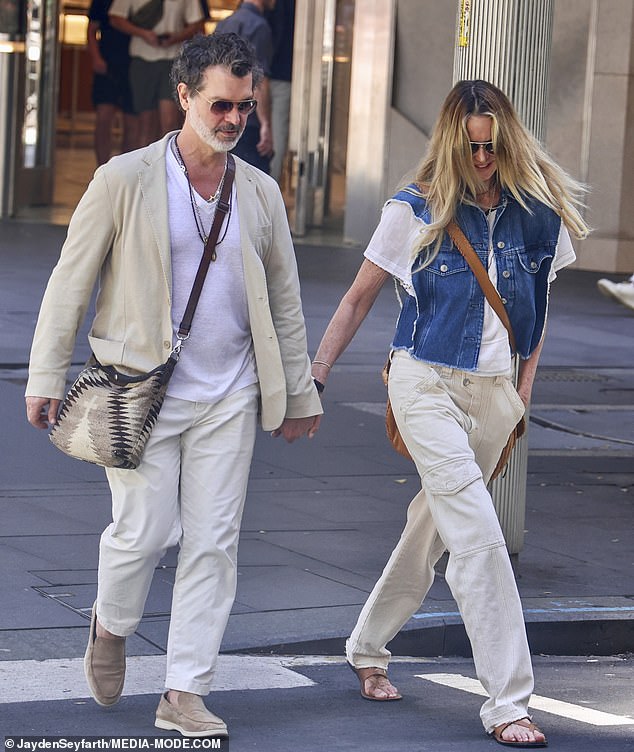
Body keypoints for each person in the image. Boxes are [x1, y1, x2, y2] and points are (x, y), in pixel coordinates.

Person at [25, 32, 322, 738]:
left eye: (244, 108)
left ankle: (184, 689)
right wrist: (45, 373)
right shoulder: (123, 179)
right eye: (220, 105)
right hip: (139, 389)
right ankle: (112, 623)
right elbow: (70, 283)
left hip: (231, 391)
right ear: (184, 96)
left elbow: (284, 298)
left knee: (214, 542)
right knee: (146, 530)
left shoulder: (259, 192)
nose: (232, 120)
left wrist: (299, 392)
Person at [311, 80, 590, 747]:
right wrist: (313, 377)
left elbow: (537, 311)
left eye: (494, 147)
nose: (484, 159)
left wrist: (523, 389)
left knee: (430, 529)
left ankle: (367, 645)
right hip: (423, 381)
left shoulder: (540, 214)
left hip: (495, 394)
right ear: (449, 142)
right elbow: (356, 301)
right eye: (472, 148)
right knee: (476, 534)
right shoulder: (414, 209)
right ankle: (508, 702)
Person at [108, 0, 204, 148]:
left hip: (172, 60)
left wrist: (176, 37)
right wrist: (143, 33)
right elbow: (115, 17)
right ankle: (146, 169)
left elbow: (196, 23)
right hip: (142, 59)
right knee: (145, 124)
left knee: (169, 122)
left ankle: (169, 166)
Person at [215, 0, 274, 173]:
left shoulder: (224, 23)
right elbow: (258, 81)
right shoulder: (260, 26)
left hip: (220, 113)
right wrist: (265, 125)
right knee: (252, 182)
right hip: (247, 118)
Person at [87, 0, 138, 165]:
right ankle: (101, 168)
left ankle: (125, 170)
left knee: (131, 121)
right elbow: (91, 30)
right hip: (107, 62)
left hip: (134, 63)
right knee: (104, 115)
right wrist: (96, 57)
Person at [265, 0, 294, 183]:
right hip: (282, 74)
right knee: (277, 134)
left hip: (268, 74)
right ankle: (270, 185)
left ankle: (267, 187)